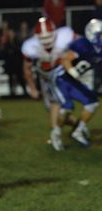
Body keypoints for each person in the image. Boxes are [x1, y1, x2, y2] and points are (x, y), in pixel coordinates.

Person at [22, 17, 77, 151]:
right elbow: (27, 69)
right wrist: (32, 87)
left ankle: (55, 133)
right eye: (43, 38)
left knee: (56, 104)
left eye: (49, 38)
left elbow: (81, 46)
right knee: (56, 111)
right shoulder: (30, 47)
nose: (46, 42)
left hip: (63, 76)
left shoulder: (65, 36)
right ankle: (78, 125)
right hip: (45, 78)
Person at [50, 19, 101, 149]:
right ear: (91, 34)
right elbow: (65, 60)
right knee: (67, 107)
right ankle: (56, 133)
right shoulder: (82, 44)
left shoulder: (99, 49)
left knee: (92, 102)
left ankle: (78, 131)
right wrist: (75, 74)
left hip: (75, 80)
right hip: (61, 78)